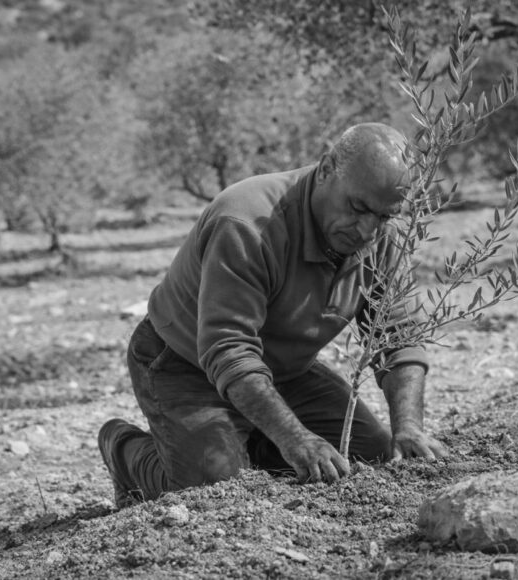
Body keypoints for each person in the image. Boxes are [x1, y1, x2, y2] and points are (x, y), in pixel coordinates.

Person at [98, 122, 449, 508]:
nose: (368, 230)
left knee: (374, 456)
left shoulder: (383, 236)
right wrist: (295, 438)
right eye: (358, 208)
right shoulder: (247, 222)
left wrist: (409, 427)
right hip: (183, 362)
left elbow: (397, 338)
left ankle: (252, 442)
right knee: (213, 490)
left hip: (282, 371)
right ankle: (125, 451)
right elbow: (228, 349)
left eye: (384, 217)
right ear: (327, 168)